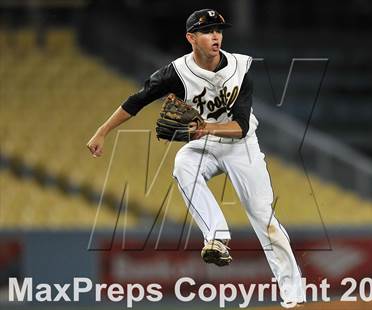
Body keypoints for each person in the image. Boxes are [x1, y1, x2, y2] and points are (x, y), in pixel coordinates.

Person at [87, 8, 305, 307]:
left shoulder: (239, 69)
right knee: (182, 164)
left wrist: (205, 128)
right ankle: (216, 235)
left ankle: (294, 297)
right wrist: (102, 131)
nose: (216, 35)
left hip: (240, 145)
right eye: (207, 31)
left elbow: (240, 128)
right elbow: (136, 100)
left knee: (264, 219)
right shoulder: (174, 73)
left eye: (218, 30)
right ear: (191, 38)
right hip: (203, 143)